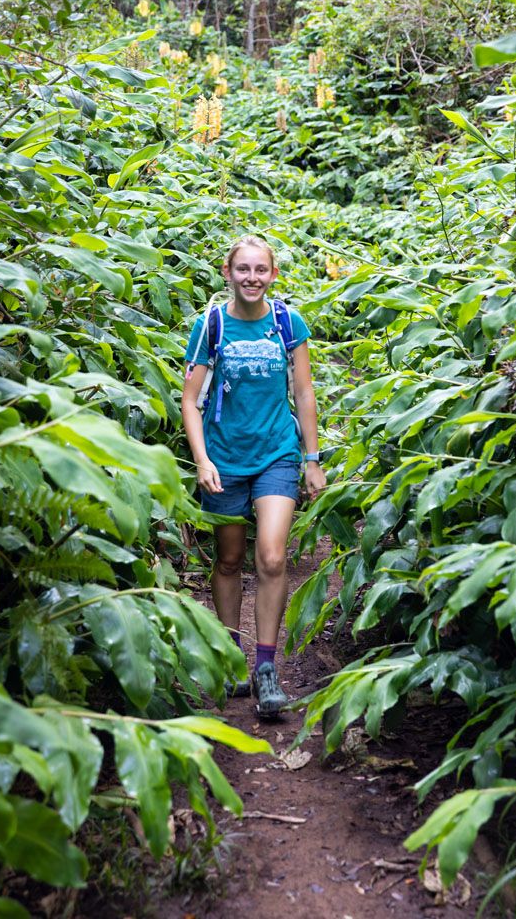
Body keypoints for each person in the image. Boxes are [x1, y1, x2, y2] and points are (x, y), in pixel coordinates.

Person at [181, 235, 327, 718]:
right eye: (242, 269)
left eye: (260, 269)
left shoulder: (287, 323)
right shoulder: (212, 325)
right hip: (223, 459)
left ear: (273, 274)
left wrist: (311, 457)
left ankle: (267, 669)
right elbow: (190, 399)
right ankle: (230, 657)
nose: (251, 277)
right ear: (227, 273)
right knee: (227, 561)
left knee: (270, 556)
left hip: (276, 454)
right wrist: (202, 460)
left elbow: (303, 393)